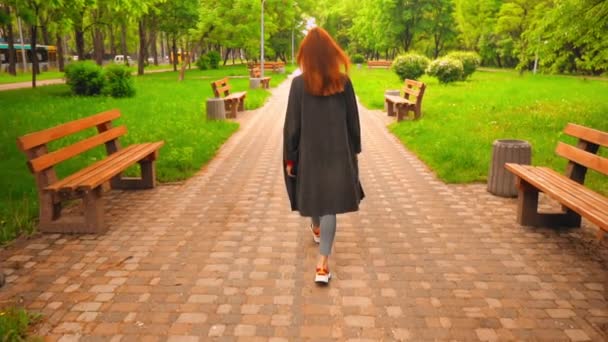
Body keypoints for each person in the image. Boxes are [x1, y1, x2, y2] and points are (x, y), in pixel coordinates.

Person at [283, 27, 364, 284]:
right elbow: (353, 120)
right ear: (331, 54)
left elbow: (292, 126)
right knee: (327, 203)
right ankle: (320, 250)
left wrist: (290, 157)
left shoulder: (298, 85)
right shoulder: (343, 82)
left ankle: (322, 262)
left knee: (320, 199)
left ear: (305, 55)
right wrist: (354, 151)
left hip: (310, 154)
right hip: (339, 153)